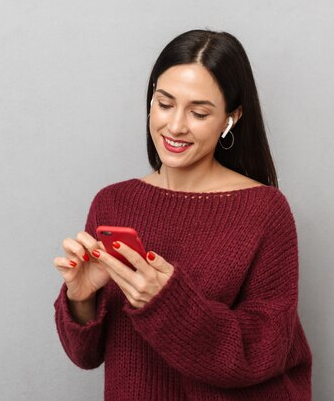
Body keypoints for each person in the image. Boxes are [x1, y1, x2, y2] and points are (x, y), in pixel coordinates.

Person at [53, 29, 312, 400]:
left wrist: (166, 302)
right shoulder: (113, 203)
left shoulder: (264, 210)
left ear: (231, 118)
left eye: (199, 112)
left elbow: (262, 351)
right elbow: (86, 356)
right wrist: (81, 299)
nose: (175, 126)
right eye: (165, 103)